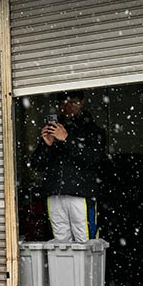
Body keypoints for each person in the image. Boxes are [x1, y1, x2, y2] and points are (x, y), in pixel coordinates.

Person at [27, 90, 108, 242]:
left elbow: (95, 158)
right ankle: (63, 267)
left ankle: (84, 267)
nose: (67, 107)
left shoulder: (93, 130)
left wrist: (67, 139)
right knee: (59, 245)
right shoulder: (54, 130)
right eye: (63, 103)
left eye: (72, 102)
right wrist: (46, 144)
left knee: (86, 242)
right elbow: (36, 164)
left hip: (81, 193)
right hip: (54, 194)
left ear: (81, 103)